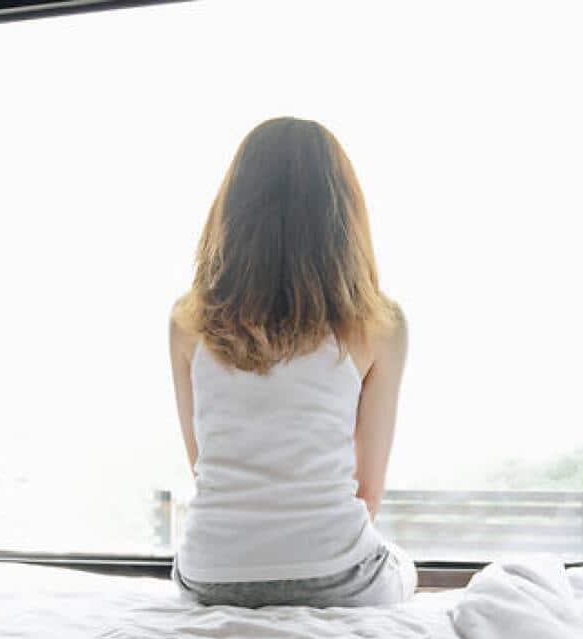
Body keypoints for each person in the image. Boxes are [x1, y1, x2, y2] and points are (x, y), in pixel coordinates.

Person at [168, 117, 416, 608]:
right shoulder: (380, 325)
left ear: (233, 211)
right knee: (403, 567)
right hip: (334, 575)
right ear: (343, 216)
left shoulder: (187, 321)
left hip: (209, 573)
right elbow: (367, 493)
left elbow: (205, 467)